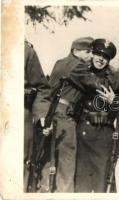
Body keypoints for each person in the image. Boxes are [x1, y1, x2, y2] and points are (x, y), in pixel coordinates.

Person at [37, 37, 101, 192]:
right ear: (75, 51)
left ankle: (44, 191)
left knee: (49, 159)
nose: (91, 56)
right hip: (65, 116)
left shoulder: (60, 63)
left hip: (51, 112)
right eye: (88, 52)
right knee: (67, 162)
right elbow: (96, 85)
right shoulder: (78, 66)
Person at [74, 38, 119, 192]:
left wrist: (114, 100)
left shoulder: (114, 79)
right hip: (82, 133)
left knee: (101, 183)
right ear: (92, 54)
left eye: (106, 57)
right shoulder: (82, 72)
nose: (101, 59)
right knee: (81, 184)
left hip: (103, 135)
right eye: (98, 54)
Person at [24, 40, 51, 192]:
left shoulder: (26, 51)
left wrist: (41, 115)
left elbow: (42, 87)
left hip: (20, 112)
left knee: (21, 161)